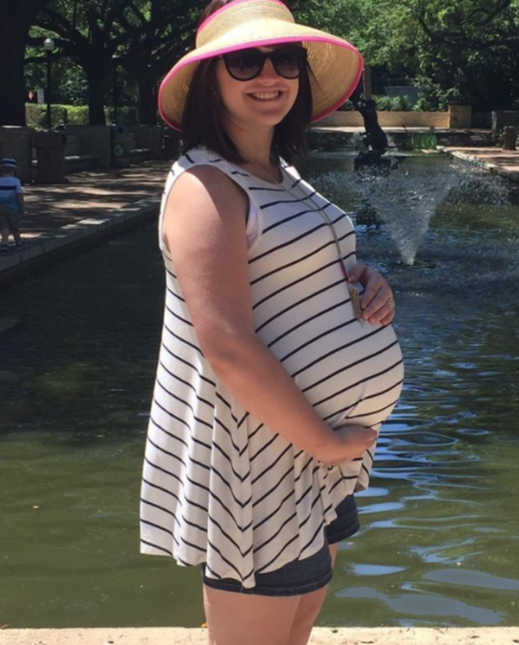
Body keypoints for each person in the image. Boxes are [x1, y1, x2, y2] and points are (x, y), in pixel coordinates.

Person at [139, 2, 405, 644]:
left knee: (299, 622)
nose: (269, 75)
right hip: (257, 461)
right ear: (210, 79)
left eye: (284, 59)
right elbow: (225, 345)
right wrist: (324, 440)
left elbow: (301, 266)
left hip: (313, 458)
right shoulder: (206, 186)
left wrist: (365, 280)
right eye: (244, 61)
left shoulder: (278, 174)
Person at [0, 157, 24, 252]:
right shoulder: (15, 181)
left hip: (0, 207)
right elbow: (19, 196)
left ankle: (5, 243)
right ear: (13, 170)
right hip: (13, 208)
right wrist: (22, 207)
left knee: (4, 226)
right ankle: (18, 242)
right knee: (15, 226)